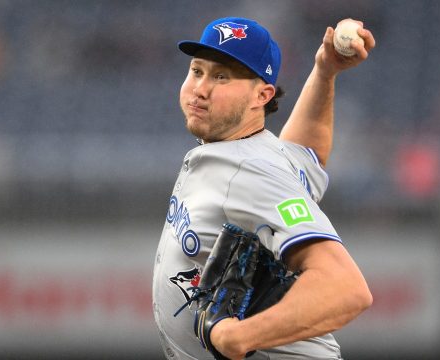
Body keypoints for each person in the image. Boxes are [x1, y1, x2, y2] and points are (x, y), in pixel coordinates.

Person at [153, 17, 376, 360]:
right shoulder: (262, 153)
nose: (201, 88)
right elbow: (308, 153)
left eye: (221, 76)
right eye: (197, 71)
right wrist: (325, 72)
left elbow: (346, 289)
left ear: (262, 94)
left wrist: (241, 336)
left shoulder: (251, 171)